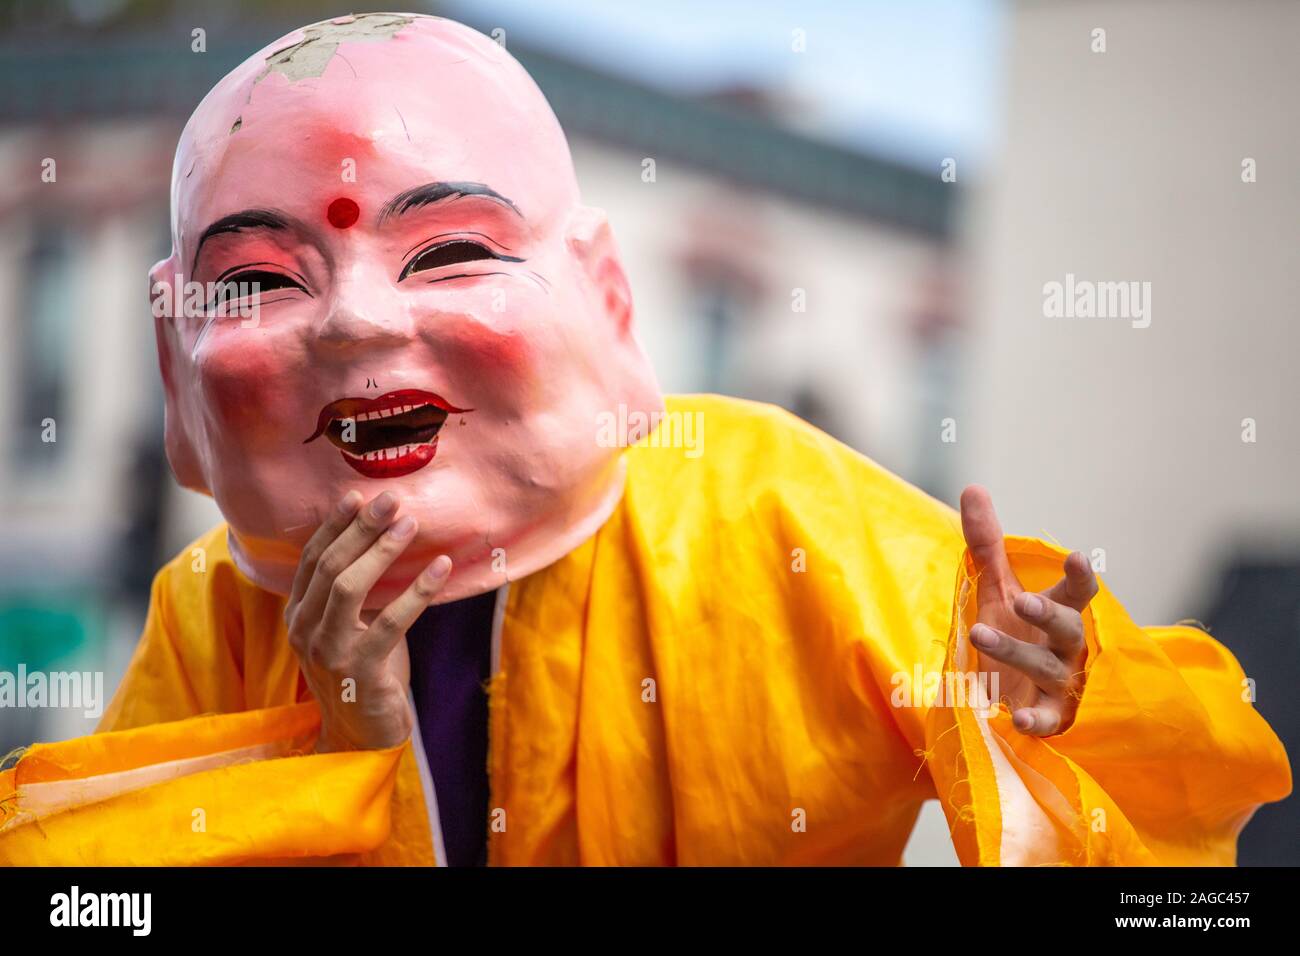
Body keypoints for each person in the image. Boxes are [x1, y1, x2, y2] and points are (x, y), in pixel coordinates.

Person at [0, 13, 1289, 866]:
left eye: (449, 252)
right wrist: (348, 751)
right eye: (263, 282)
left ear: (608, 309)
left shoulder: (782, 519)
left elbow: (1175, 815)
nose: (352, 321)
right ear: (178, 365)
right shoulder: (210, 611)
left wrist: (1056, 722)